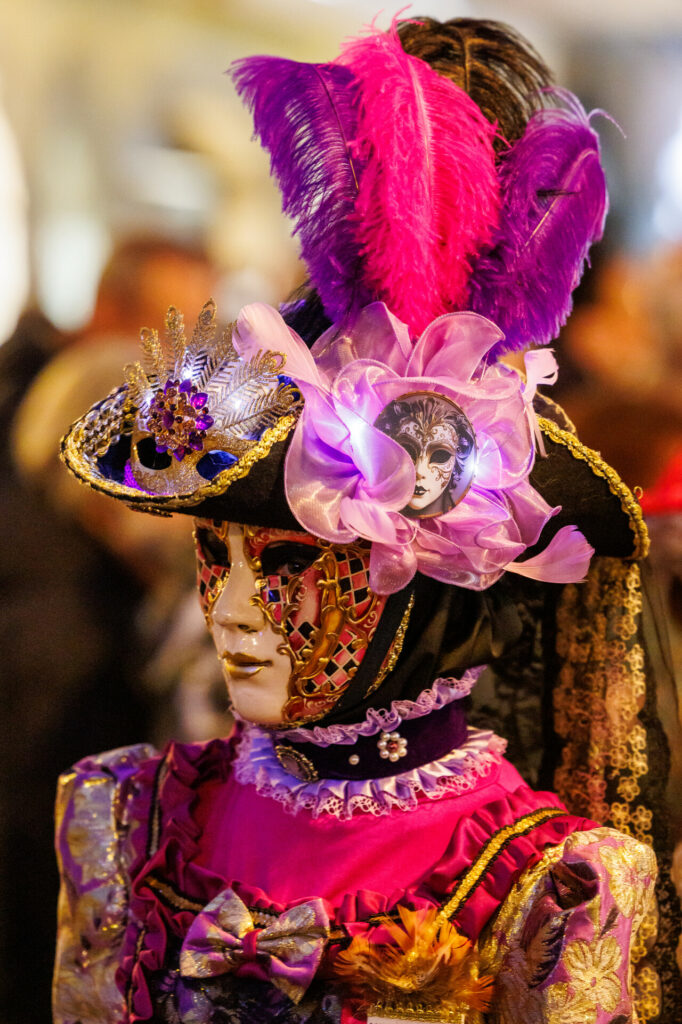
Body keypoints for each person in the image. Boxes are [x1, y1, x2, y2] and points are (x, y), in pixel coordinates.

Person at [52, 16, 681, 1024]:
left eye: (295, 563)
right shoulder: (135, 818)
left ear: (429, 569)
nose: (237, 613)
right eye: (216, 557)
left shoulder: (546, 888)